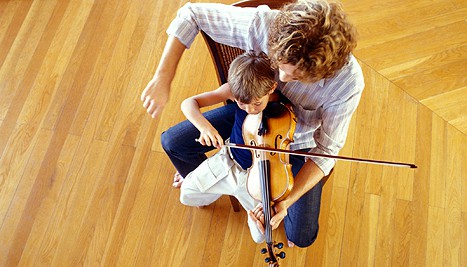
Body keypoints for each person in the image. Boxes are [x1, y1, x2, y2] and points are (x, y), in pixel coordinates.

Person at [141, 0, 365, 248]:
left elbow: (325, 152)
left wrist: (284, 204)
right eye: (279, 66)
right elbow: (190, 13)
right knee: (173, 142)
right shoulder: (263, 25)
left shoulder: (347, 85)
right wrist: (163, 77)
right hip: (247, 117)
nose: (281, 79)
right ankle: (205, 179)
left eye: (296, 77)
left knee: (302, 236)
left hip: (295, 143)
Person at [179, 51, 280, 243]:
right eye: (242, 104)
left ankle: (222, 189)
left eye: (257, 103)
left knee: (260, 236)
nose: (250, 110)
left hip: (257, 180)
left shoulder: (282, 108)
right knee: (186, 195)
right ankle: (215, 189)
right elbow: (188, 103)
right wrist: (205, 128)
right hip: (228, 159)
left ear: (272, 88)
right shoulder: (234, 90)